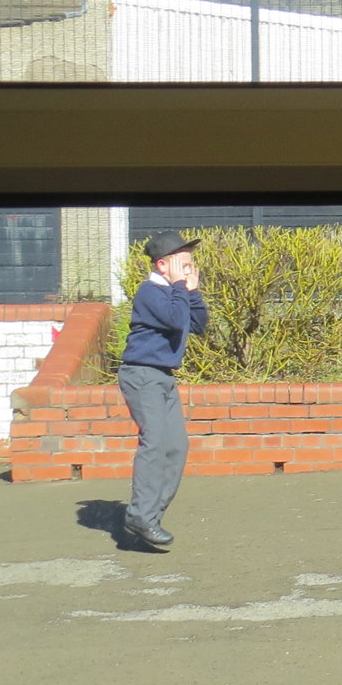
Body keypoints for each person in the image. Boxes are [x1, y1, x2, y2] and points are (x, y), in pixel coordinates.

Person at [117, 230, 210, 551]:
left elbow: (196, 325)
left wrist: (192, 293)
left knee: (176, 447)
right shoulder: (151, 292)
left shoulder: (175, 292)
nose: (189, 270)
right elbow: (173, 319)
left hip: (163, 377)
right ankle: (140, 515)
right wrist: (183, 289)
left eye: (191, 264)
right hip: (141, 375)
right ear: (161, 265)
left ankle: (149, 518)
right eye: (183, 264)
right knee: (155, 442)